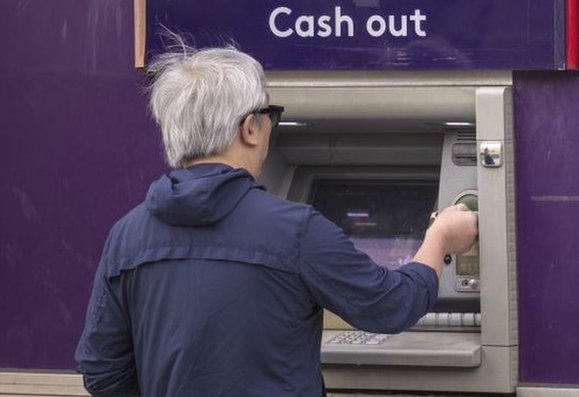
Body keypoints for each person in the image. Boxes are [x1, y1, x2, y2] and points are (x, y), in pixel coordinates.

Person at [75, 44, 478, 397]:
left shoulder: (128, 235)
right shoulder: (293, 229)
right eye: (272, 114)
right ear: (251, 127)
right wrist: (440, 238)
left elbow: (102, 370)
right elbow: (391, 306)